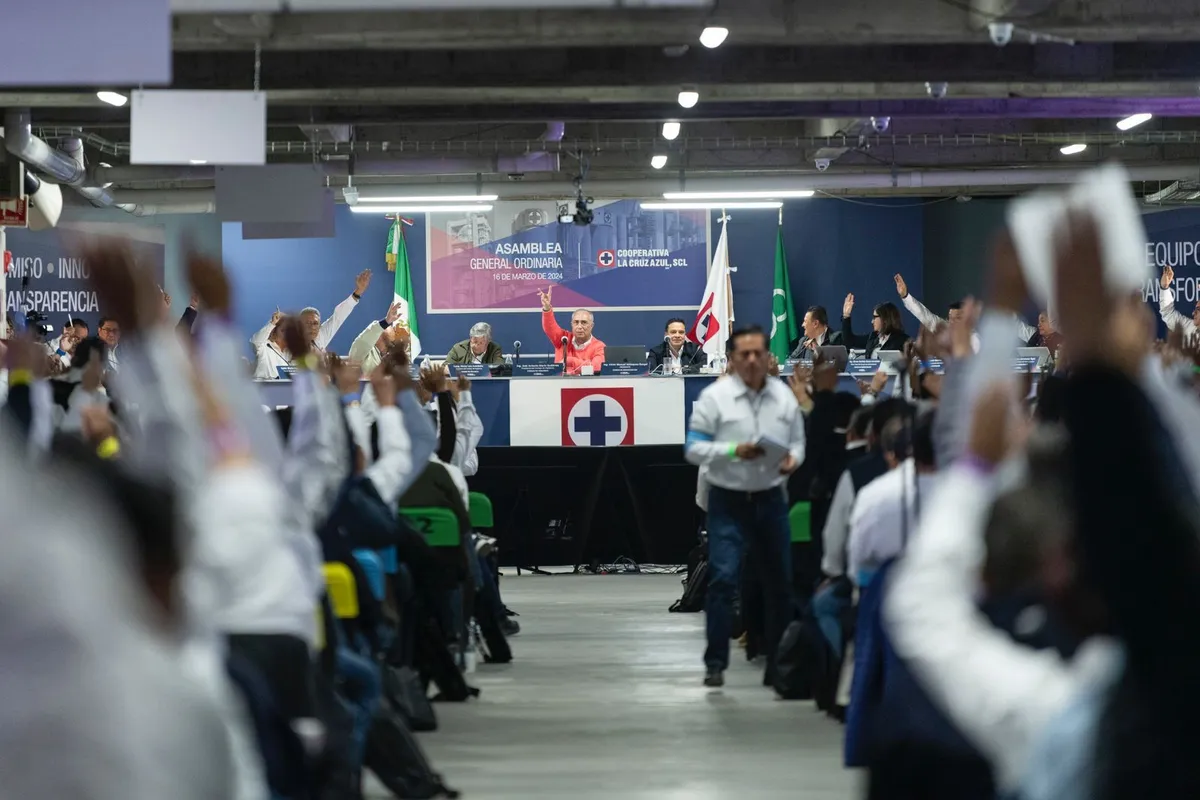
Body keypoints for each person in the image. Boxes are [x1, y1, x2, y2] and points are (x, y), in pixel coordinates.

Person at [684, 324, 804, 688]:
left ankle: (778, 663)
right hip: (728, 500)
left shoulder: (784, 397)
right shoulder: (714, 398)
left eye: (758, 354)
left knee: (779, 582)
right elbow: (694, 448)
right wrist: (734, 450)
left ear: (767, 357)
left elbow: (798, 442)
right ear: (733, 359)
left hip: (770, 499)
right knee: (723, 580)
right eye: (744, 354)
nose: (752, 360)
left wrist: (793, 460)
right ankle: (715, 663)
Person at [249, 268, 371, 357]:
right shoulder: (287, 343)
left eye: (315, 323)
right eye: (307, 323)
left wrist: (358, 293)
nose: (312, 327)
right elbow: (256, 344)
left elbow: (339, 316)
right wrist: (272, 324)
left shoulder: (320, 337)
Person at [537, 285, 605, 375]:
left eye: (584, 322)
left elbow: (595, 367)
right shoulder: (563, 339)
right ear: (572, 324)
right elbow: (550, 327)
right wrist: (547, 307)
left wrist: (570, 361)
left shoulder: (599, 346)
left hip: (585, 384)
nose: (579, 326)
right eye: (576, 322)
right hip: (559, 383)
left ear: (591, 325)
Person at [347, 300, 406, 375]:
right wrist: (386, 322)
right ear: (377, 336)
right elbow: (365, 339)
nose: (387, 348)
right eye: (386, 343)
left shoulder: (389, 356)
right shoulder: (361, 351)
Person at [841, 294, 910, 358]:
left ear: (885, 319)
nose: (872, 321)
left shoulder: (903, 341)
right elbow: (849, 341)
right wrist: (846, 315)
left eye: (874, 317)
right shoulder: (873, 338)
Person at [1158, 265, 1198, 347]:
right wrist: (1164, 288)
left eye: (1198, 309)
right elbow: (1168, 314)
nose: (1194, 313)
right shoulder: (1190, 328)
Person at [252, 314, 292, 380]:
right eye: (283, 330)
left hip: (283, 386)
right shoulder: (264, 346)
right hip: (263, 385)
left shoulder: (289, 352)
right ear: (274, 331)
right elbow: (255, 342)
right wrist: (272, 323)